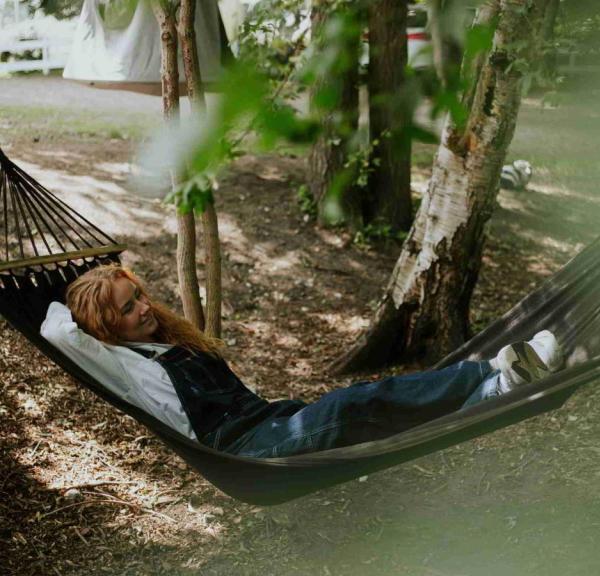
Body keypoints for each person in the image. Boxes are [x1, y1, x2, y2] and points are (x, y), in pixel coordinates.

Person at [40, 265, 564, 458]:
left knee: (376, 409)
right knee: (354, 404)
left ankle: (492, 387)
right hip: (244, 452)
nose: (144, 308)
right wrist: (59, 290)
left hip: (268, 422)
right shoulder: (122, 366)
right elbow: (55, 328)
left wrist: (108, 285)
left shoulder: (162, 341)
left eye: (140, 296)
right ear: (105, 331)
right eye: (128, 309)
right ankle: (491, 374)